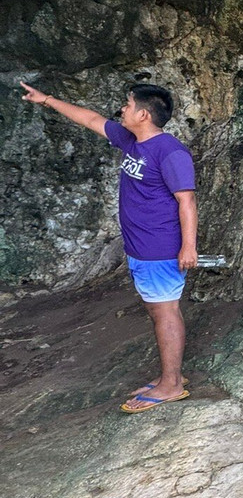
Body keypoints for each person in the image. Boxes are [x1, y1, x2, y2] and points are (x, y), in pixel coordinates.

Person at [20, 80, 197, 414]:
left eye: (127, 105)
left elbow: (186, 200)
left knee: (165, 312)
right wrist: (47, 99)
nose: (122, 109)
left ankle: (171, 384)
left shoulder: (170, 152)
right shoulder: (131, 140)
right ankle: (171, 375)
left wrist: (188, 246)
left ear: (143, 114)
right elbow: (90, 119)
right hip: (140, 246)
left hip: (158, 248)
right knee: (158, 310)